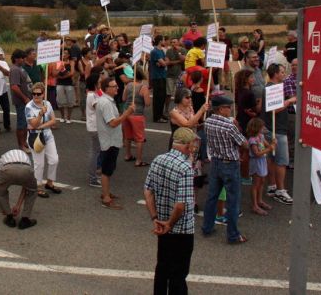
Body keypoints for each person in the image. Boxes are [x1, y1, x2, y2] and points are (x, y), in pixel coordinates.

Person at [144, 127, 198, 295]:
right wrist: (170, 223)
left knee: (162, 267)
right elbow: (181, 205)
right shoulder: (186, 168)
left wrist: (155, 217)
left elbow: (148, 192)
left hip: (161, 223)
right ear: (188, 146)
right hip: (181, 229)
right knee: (179, 273)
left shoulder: (158, 159)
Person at [201, 95, 249, 244]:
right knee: (233, 200)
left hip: (215, 161)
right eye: (228, 107)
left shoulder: (208, 122)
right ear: (221, 109)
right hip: (230, 163)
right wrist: (236, 126)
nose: (230, 109)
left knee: (212, 197)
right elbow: (244, 143)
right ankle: (233, 235)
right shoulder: (229, 126)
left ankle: (207, 226)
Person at [96, 77, 135, 210]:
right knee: (107, 170)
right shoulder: (106, 103)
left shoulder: (106, 101)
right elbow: (112, 123)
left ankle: (106, 192)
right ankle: (106, 197)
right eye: (114, 86)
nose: (117, 88)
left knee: (109, 168)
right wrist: (127, 113)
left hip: (111, 139)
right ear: (106, 88)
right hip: (109, 141)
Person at [262, 63, 296, 205]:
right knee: (282, 161)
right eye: (282, 72)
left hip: (272, 128)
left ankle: (272, 186)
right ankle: (281, 190)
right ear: (275, 74)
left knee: (271, 158)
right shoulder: (272, 89)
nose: (284, 74)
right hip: (277, 130)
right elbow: (273, 110)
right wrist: (289, 101)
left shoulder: (272, 87)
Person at [25, 82, 61, 198]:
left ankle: (50, 182)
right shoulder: (28, 107)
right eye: (33, 94)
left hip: (47, 136)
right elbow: (33, 124)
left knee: (54, 160)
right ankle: (38, 186)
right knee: (39, 164)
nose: (36, 96)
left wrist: (41, 126)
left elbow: (53, 120)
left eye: (38, 94)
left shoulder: (48, 104)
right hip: (35, 138)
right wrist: (40, 114)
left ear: (43, 94)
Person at [0, 149, 38, 230]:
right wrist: (18, 205)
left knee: (0, 190)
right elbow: (26, 187)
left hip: (7, 169)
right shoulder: (27, 158)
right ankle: (25, 220)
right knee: (32, 191)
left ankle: (9, 217)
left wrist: (3, 207)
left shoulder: (3, 157)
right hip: (26, 169)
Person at [122, 68, 151, 167]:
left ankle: (127, 155)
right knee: (139, 138)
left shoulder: (128, 85)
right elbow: (147, 103)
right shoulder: (143, 87)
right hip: (137, 114)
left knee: (127, 135)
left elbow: (123, 98)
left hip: (126, 112)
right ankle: (138, 160)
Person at [247, 118, 274, 216]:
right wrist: (269, 149)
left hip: (262, 161)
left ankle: (260, 200)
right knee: (256, 183)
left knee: (262, 181)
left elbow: (268, 146)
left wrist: (273, 144)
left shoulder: (261, 136)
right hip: (256, 162)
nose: (263, 128)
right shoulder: (252, 140)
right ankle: (254, 205)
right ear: (257, 127)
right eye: (262, 127)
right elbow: (257, 153)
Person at [10, 49, 33, 153]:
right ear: (16, 59)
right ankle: (21, 145)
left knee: (26, 124)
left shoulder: (20, 68)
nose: (24, 60)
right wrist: (25, 98)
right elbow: (14, 87)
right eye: (22, 58)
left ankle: (24, 142)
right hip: (21, 101)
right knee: (21, 124)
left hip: (26, 100)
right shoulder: (15, 69)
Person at [149, 35, 168, 123]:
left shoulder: (161, 51)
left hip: (163, 76)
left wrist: (163, 62)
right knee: (158, 98)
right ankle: (157, 117)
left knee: (163, 97)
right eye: (164, 40)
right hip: (157, 77)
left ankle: (160, 114)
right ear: (160, 41)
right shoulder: (155, 51)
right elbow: (164, 63)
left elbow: (165, 61)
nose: (165, 41)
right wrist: (163, 62)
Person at [165, 39, 186, 116]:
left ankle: (179, 109)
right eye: (172, 42)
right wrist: (177, 61)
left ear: (178, 43)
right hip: (170, 75)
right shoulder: (168, 51)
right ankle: (166, 109)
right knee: (168, 93)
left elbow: (183, 59)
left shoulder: (182, 50)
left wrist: (178, 52)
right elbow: (168, 62)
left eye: (174, 42)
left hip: (179, 75)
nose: (173, 44)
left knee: (179, 94)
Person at [55, 48, 76, 123]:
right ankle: (62, 116)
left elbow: (72, 72)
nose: (64, 54)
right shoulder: (58, 62)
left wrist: (63, 76)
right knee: (60, 101)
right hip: (60, 83)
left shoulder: (71, 62)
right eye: (63, 53)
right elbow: (55, 73)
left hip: (69, 83)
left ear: (69, 55)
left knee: (70, 101)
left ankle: (69, 118)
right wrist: (60, 68)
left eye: (66, 53)